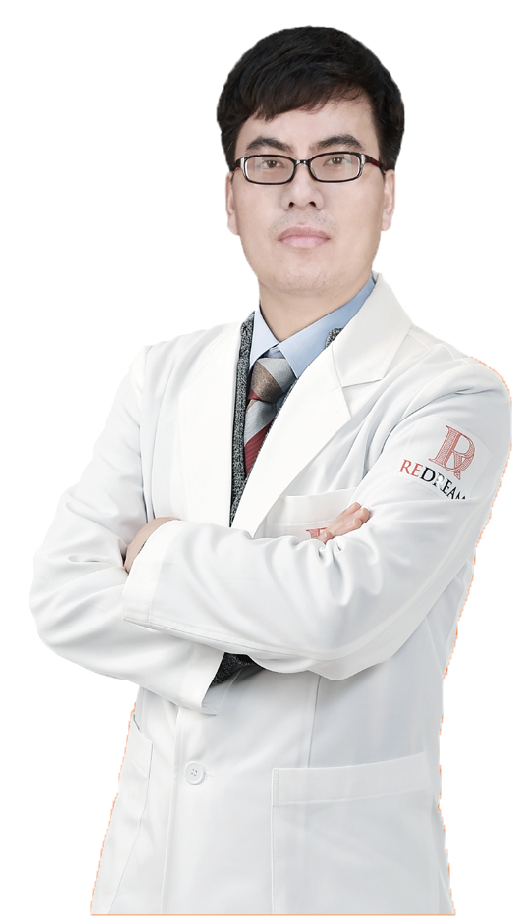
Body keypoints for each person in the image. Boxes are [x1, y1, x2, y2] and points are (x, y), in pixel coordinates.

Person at [29, 24, 510, 916]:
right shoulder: (161, 374)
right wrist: (263, 619)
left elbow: (343, 612)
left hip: (336, 886)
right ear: (229, 195)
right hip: (153, 876)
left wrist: (156, 552)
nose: (301, 190)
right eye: (267, 161)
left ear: (387, 192)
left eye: (338, 160)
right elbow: (62, 594)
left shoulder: (451, 398)